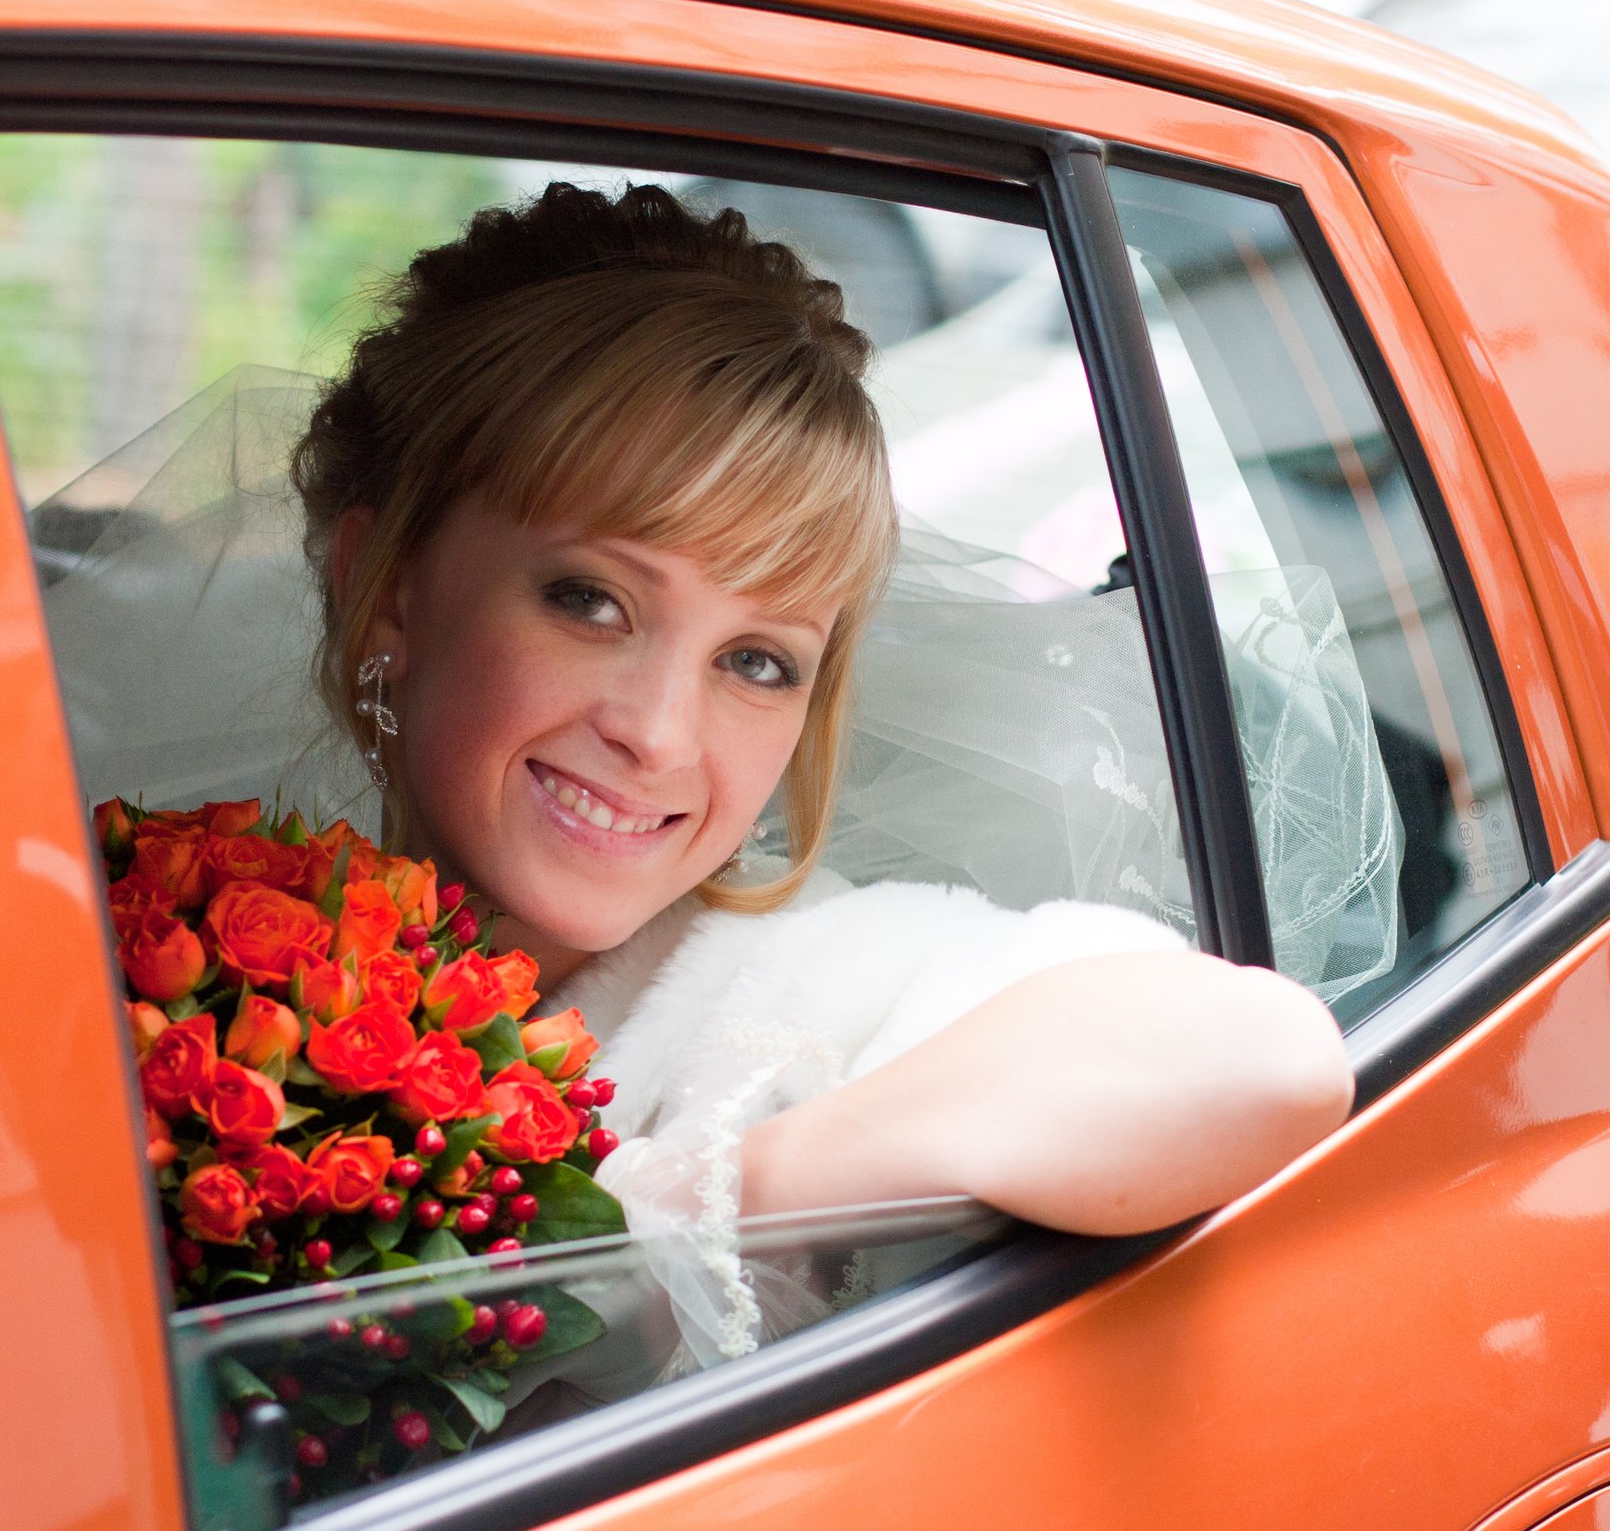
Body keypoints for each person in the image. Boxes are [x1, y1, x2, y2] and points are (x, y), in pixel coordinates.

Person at [285, 181, 1351, 1366]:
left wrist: (705, 1197)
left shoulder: (819, 983)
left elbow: (1263, 1057)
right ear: (386, 590)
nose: (660, 735)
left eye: (756, 661)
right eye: (591, 601)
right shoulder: (211, 979)